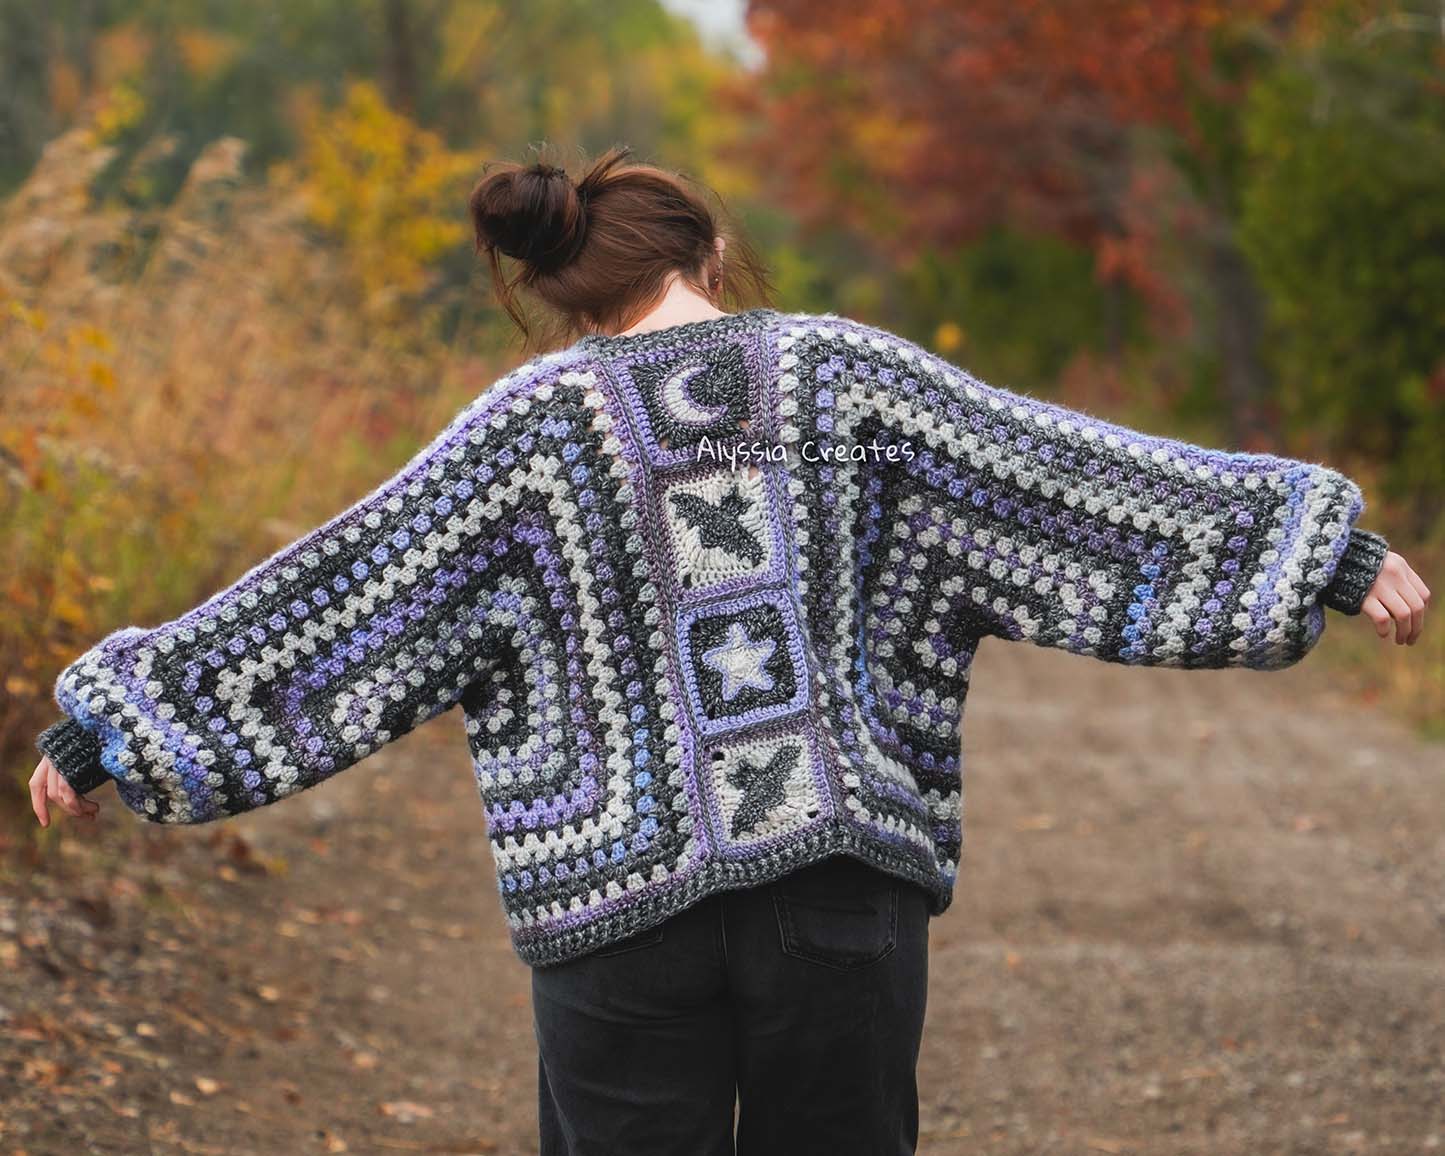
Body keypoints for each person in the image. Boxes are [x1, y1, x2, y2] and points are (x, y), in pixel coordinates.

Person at [30, 145, 1430, 1156]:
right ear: (705, 255)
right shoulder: (846, 377)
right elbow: (1067, 493)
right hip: (839, 896)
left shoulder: (525, 436)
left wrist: (123, 729)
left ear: (571, 297)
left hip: (611, 917)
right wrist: (1317, 554)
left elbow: (344, 608)